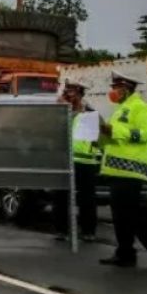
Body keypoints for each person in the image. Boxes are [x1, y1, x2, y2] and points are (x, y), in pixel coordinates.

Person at [98, 70, 147, 270]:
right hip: (116, 170)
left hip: (131, 170)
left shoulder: (141, 108)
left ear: (126, 88)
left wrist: (116, 131)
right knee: (120, 216)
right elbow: (115, 140)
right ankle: (125, 253)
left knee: (133, 215)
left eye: (116, 88)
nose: (113, 92)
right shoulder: (121, 109)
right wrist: (102, 135)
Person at [51, 82, 100, 242]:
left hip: (85, 162)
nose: (68, 95)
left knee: (87, 198)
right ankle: (60, 230)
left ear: (79, 94)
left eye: (71, 92)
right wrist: (60, 108)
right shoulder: (60, 110)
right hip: (64, 160)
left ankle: (88, 231)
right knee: (61, 197)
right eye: (66, 92)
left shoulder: (89, 112)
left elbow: (93, 134)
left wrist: (73, 110)